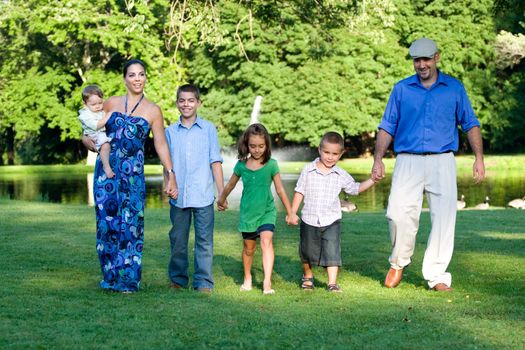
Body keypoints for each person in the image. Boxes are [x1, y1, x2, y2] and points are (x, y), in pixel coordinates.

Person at [372, 38, 485, 292]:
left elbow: (470, 123)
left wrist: (479, 158)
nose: (421, 65)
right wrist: (378, 159)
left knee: (445, 218)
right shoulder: (401, 89)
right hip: (407, 161)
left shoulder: (454, 88)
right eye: (416, 60)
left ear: (437, 57)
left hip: (442, 160)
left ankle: (436, 276)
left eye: (425, 59)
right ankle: (399, 261)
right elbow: (387, 126)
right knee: (397, 213)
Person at [84, 59, 178, 293]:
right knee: (107, 224)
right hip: (106, 173)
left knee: (131, 224)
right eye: (132, 75)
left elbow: (161, 145)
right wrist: (92, 145)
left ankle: (128, 280)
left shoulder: (153, 110)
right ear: (124, 78)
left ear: (146, 78)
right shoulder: (111, 102)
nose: (137, 79)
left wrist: (170, 174)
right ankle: (110, 277)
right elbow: (88, 132)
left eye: (141, 74)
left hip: (133, 175)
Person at [289, 132, 377, 293]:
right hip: (309, 218)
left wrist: (373, 180)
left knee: (332, 250)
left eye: (335, 154)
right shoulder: (308, 170)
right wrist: (292, 212)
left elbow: (355, 189)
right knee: (307, 251)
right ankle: (308, 277)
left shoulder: (341, 174)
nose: (330, 157)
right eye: (327, 152)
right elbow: (299, 191)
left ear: (341, 154)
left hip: (331, 220)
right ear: (319, 150)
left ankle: (332, 283)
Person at [217, 123, 294, 295]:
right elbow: (230, 185)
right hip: (248, 213)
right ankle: (247, 279)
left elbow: (280, 189)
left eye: (261, 146)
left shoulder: (272, 164)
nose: (257, 150)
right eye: (253, 146)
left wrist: (290, 212)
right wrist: (221, 200)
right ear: (246, 145)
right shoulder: (241, 165)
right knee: (249, 248)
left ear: (266, 145)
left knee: (267, 242)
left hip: (267, 211)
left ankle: (267, 282)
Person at [165, 84, 225, 293]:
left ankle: (203, 282)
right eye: (182, 100)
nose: (186, 104)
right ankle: (178, 279)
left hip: (203, 195)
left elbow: (215, 161)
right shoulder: (170, 131)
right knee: (178, 240)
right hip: (179, 196)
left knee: (204, 241)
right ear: (177, 103)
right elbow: (167, 164)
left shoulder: (208, 129)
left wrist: (222, 193)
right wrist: (168, 184)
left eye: (191, 100)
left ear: (198, 103)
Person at [78, 84, 114, 178]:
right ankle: (106, 167)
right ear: (85, 104)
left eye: (100, 103)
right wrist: (108, 116)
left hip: (101, 133)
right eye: (93, 104)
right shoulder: (85, 115)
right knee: (105, 145)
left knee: (107, 145)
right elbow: (97, 126)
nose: (98, 106)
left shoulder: (100, 111)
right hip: (94, 135)